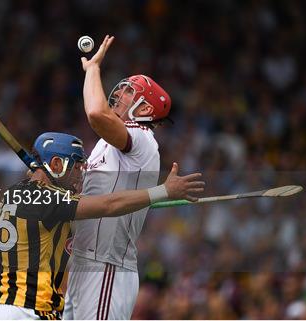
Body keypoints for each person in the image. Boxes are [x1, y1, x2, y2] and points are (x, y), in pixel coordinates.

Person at [0, 132, 204, 320]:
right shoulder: (49, 199)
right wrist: (163, 191)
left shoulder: (14, 192)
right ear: (56, 165)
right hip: (29, 310)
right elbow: (109, 205)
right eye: (76, 165)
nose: (80, 173)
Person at [64, 35, 180, 319]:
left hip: (107, 268)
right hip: (82, 263)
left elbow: (95, 113)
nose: (119, 93)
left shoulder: (142, 139)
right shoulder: (105, 145)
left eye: (129, 92)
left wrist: (93, 69)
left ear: (144, 109)